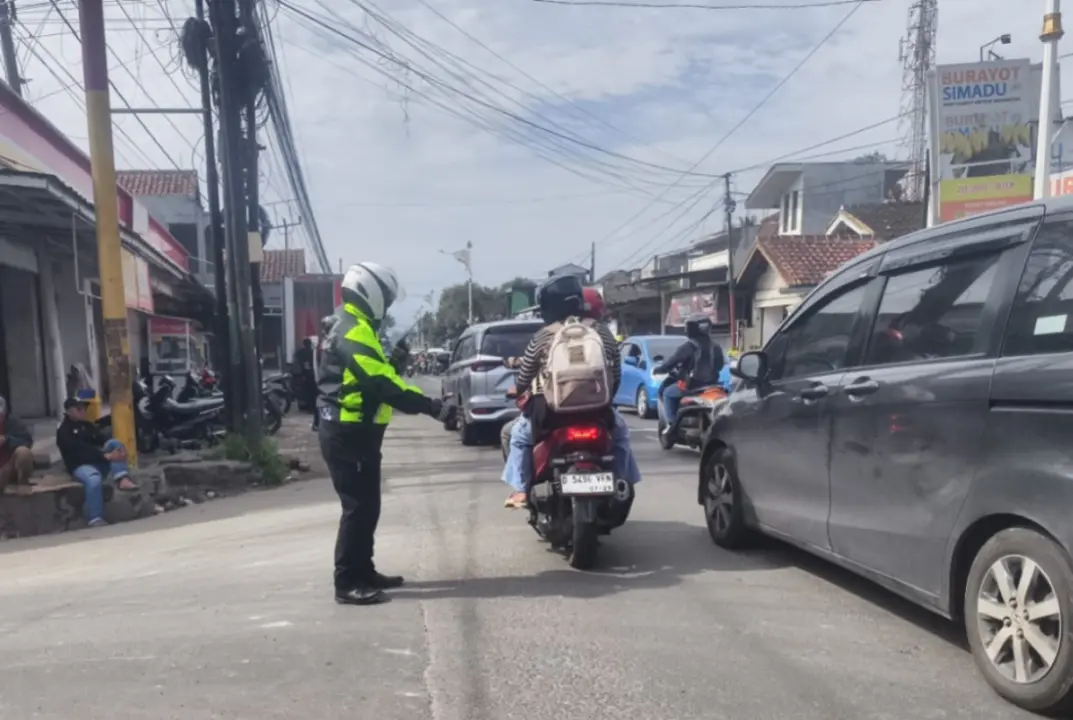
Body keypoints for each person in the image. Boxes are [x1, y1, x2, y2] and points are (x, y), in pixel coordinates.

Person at [317, 262, 444, 606]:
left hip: (357, 433)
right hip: (348, 433)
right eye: (386, 297)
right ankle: (346, 581)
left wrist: (397, 361)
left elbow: (380, 371)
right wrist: (432, 406)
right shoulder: (353, 329)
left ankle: (364, 570)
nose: (387, 304)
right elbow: (379, 383)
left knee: (368, 506)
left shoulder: (355, 326)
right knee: (357, 508)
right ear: (369, 291)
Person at [500, 278, 635, 509]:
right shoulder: (601, 331)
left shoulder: (544, 334)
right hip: (598, 412)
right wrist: (607, 398)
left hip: (550, 414)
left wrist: (520, 390)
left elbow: (525, 373)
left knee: (518, 437)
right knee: (621, 435)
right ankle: (622, 481)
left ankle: (521, 489)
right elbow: (616, 370)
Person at [56, 398, 137, 528]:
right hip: (81, 466)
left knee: (114, 443)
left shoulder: (86, 426)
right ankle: (95, 517)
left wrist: (117, 451)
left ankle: (122, 478)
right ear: (70, 411)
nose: (83, 411)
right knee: (94, 480)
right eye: (80, 408)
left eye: (84, 408)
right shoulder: (64, 431)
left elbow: (100, 438)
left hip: (99, 460)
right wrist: (106, 456)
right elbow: (79, 451)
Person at [654, 314, 724, 433]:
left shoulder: (689, 346)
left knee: (667, 393)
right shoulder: (716, 346)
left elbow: (672, 361)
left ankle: (671, 425)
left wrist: (660, 369)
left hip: (691, 386)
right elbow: (720, 365)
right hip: (712, 386)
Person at [0, 395, 34, 496]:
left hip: (9, 467)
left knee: (23, 452)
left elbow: (27, 441)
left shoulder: (13, 422)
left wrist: (6, 439)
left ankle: (23, 482)